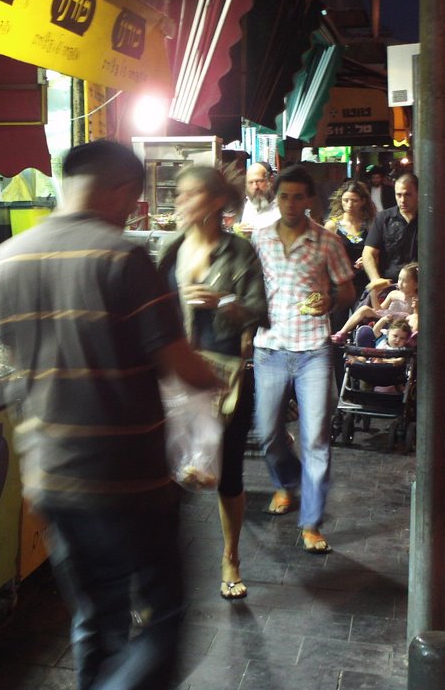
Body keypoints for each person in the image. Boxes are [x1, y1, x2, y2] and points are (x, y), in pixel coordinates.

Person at [0, 140, 220, 690]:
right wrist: (215, 376)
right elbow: (179, 365)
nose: (130, 213)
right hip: (124, 476)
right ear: (118, 189)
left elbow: (15, 360)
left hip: (49, 473)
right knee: (164, 615)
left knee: (95, 615)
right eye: (131, 200)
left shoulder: (5, 259)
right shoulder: (123, 257)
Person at [156, 166, 268, 601]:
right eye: (179, 194)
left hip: (224, 377)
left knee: (229, 473)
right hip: (174, 375)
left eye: (192, 194)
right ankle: (161, 570)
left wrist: (220, 301)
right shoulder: (171, 251)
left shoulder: (239, 252)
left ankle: (231, 558)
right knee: (167, 473)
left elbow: (260, 309)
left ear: (217, 201)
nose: (181, 202)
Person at [251, 165, 355, 554]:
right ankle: (286, 482)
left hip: (313, 349)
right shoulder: (259, 239)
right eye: (284, 196)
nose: (291, 203)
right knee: (267, 433)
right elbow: (250, 290)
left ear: (309, 200)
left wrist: (330, 300)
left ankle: (311, 522)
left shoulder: (327, 242)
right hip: (270, 348)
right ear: (275, 199)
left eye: (298, 196)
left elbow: (346, 291)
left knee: (317, 439)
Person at [332, 262, 419, 343]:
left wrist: (415, 308)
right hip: (387, 319)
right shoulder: (393, 294)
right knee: (364, 309)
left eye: (404, 281)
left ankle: (411, 337)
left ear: (415, 285)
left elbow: (416, 317)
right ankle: (342, 333)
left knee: (415, 317)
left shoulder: (417, 298)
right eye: (399, 279)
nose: (400, 283)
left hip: (402, 325)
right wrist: (373, 294)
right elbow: (379, 310)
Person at [362, 172, 419, 286]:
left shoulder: (429, 220)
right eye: (398, 195)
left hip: (421, 285)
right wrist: (375, 279)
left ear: (418, 193)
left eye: (407, 195)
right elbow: (368, 253)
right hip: (391, 283)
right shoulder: (383, 218)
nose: (402, 200)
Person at [324, 180, 376, 299]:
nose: (349, 205)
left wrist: (368, 259)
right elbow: (325, 257)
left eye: (354, 200)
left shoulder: (370, 225)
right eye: (345, 200)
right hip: (340, 283)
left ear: (363, 201)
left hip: (364, 281)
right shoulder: (332, 226)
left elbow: (379, 250)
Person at [237, 161, 280, 235]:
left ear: (271, 180)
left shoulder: (282, 208)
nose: (255, 187)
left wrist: (257, 234)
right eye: (250, 182)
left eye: (259, 181)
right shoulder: (249, 204)